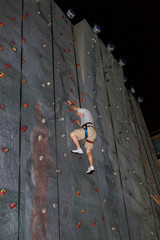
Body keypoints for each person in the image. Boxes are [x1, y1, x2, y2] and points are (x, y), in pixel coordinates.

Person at [67, 100, 96, 174]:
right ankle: (91, 166)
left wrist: (71, 104)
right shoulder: (86, 118)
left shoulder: (85, 111)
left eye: (78, 113)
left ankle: (79, 149)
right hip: (92, 133)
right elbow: (85, 127)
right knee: (88, 151)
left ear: (81, 111)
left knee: (72, 134)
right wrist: (80, 124)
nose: (78, 114)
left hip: (88, 130)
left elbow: (75, 108)